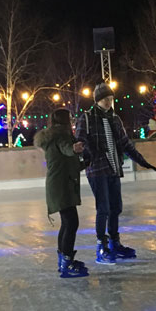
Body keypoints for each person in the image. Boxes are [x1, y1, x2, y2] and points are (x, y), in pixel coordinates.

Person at [76, 82, 156, 264]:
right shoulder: (87, 118)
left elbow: (125, 144)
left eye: (111, 99)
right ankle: (101, 247)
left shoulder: (115, 119)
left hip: (114, 168)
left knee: (116, 208)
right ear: (98, 100)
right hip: (97, 170)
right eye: (105, 99)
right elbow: (80, 141)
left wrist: (143, 162)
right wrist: (84, 153)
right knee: (103, 208)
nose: (109, 102)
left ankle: (115, 243)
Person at [34, 109, 89, 278]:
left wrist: (85, 162)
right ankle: (66, 262)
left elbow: (66, 163)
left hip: (59, 184)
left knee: (67, 222)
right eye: (70, 118)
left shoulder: (53, 136)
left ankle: (63, 260)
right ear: (65, 121)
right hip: (61, 186)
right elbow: (67, 149)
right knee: (71, 222)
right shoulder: (61, 135)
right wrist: (74, 148)